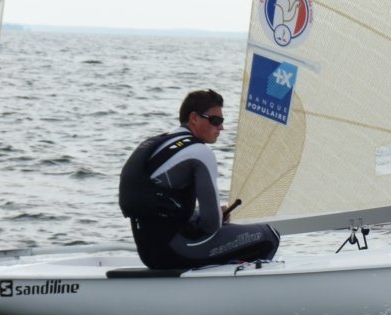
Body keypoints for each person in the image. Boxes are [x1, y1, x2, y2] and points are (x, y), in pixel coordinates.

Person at [119, 89, 280, 269]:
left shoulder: (159, 143)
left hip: (149, 254)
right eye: (215, 120)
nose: (221, 128)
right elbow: (211, 224)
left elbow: (164, 208)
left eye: (222, 121)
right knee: (269, 235)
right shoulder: (200, 152)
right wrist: (216, 215)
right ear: (194, 118)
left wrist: (204, 216)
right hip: (179, 252)